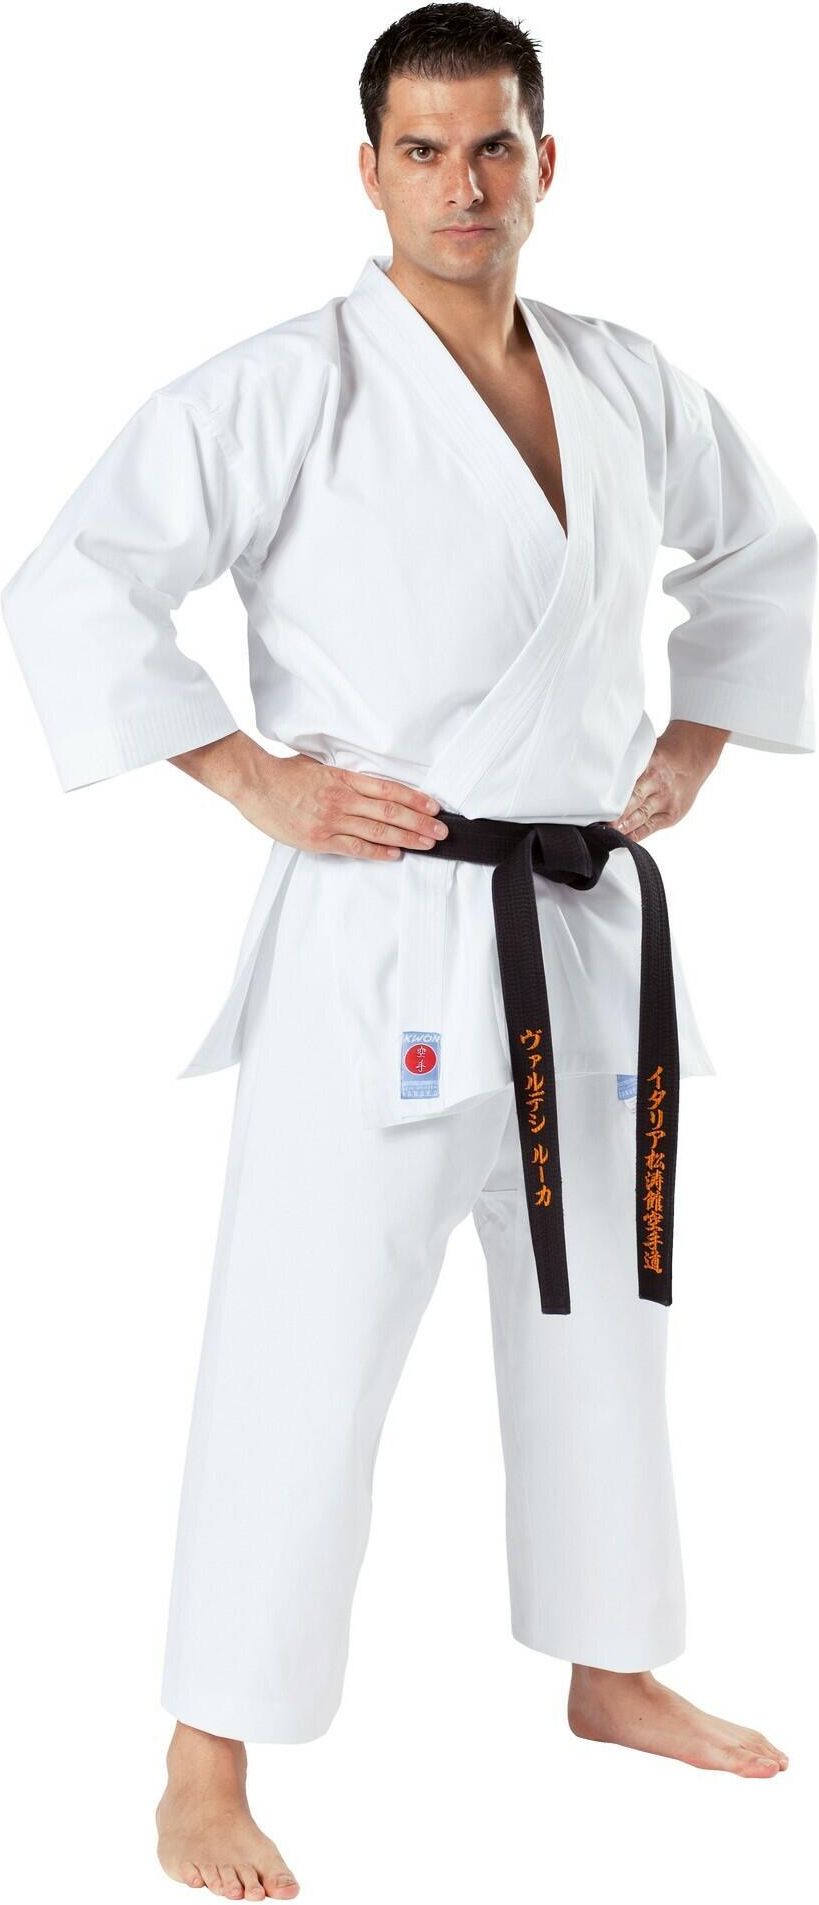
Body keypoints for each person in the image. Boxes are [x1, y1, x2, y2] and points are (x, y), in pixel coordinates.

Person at [3, 4, 814, 1898]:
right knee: (301, 1338)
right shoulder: (289, 386)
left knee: (603, 1315)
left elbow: (770, 555)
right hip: (380, 933)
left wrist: (697, 740)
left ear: (548, 161)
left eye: (496, 144)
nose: (465, 183)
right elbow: (74, 584)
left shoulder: (625, 380)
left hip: (581, 923)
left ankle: (612, 1664)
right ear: (367, 169)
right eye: (427, 149)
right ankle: (204, 1759)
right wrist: (251, 778)